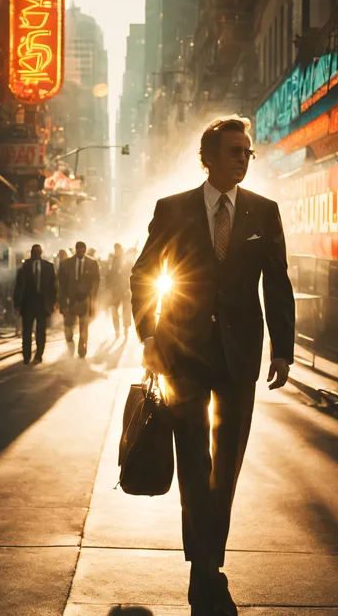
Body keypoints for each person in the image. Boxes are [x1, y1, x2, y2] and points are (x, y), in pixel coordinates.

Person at [131, 116, 295, 616]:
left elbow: (278, 283)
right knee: (194, 466)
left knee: (227, 467)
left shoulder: (264, 213)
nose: (243, 158)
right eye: (234, 151)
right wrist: (151, 334)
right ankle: (203, 567)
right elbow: (144, 273)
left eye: (248, 152)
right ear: (209, 157)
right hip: (185, 354)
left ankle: (209, 556)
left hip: (240, 357)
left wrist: (283, 349)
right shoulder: (174, 208)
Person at [13, 244, 57, 364]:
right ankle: (26, 354)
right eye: (34, 252)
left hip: (43, 303)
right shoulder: (24, 265)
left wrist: (52, 303)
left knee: (41, 330)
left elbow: (53, 286)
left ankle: (39, 353)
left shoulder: (48, 267)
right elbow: (18, 285)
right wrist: (16, 303)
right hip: (28, 302)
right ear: (31, 253)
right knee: (26, 330)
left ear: (41, 253)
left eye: (38, 252)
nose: (36, 254)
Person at [59, 241, 100, 358]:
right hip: (70, 299)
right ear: (76, 250)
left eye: (83, 249)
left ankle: (82, 348)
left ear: (85, 250)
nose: (81, 251)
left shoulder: (92, 263)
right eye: (79, 249)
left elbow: (96, 281)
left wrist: (93, 298)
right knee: (69, 324)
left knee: (84, 325)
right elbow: (62, 284)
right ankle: (69, 338)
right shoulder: (67, 264)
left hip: (84, 299)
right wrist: (62, 301)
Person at [107, 243, 132, 339]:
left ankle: (125, 329)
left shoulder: (127, 260)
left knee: (126, 311)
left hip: (125, 289)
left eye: (118, 249)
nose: (116, 251)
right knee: (114, 310)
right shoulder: (112, 260)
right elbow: (108, 275)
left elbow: (131, 274)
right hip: (115, 290)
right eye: (115, 249)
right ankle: (117, 330)